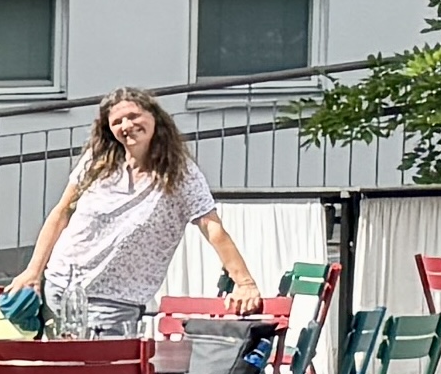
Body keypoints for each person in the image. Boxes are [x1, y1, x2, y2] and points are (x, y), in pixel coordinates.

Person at [17, 86, 260, 340]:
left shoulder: (179, 173)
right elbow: (61, 213)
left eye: (134, 116)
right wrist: (33, 272)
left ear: (154, 117)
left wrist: (245, 283)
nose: (127, 125)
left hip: (116, 303)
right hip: (60, 289)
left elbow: (212, 227)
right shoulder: (97, 162)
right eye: (117, 121)